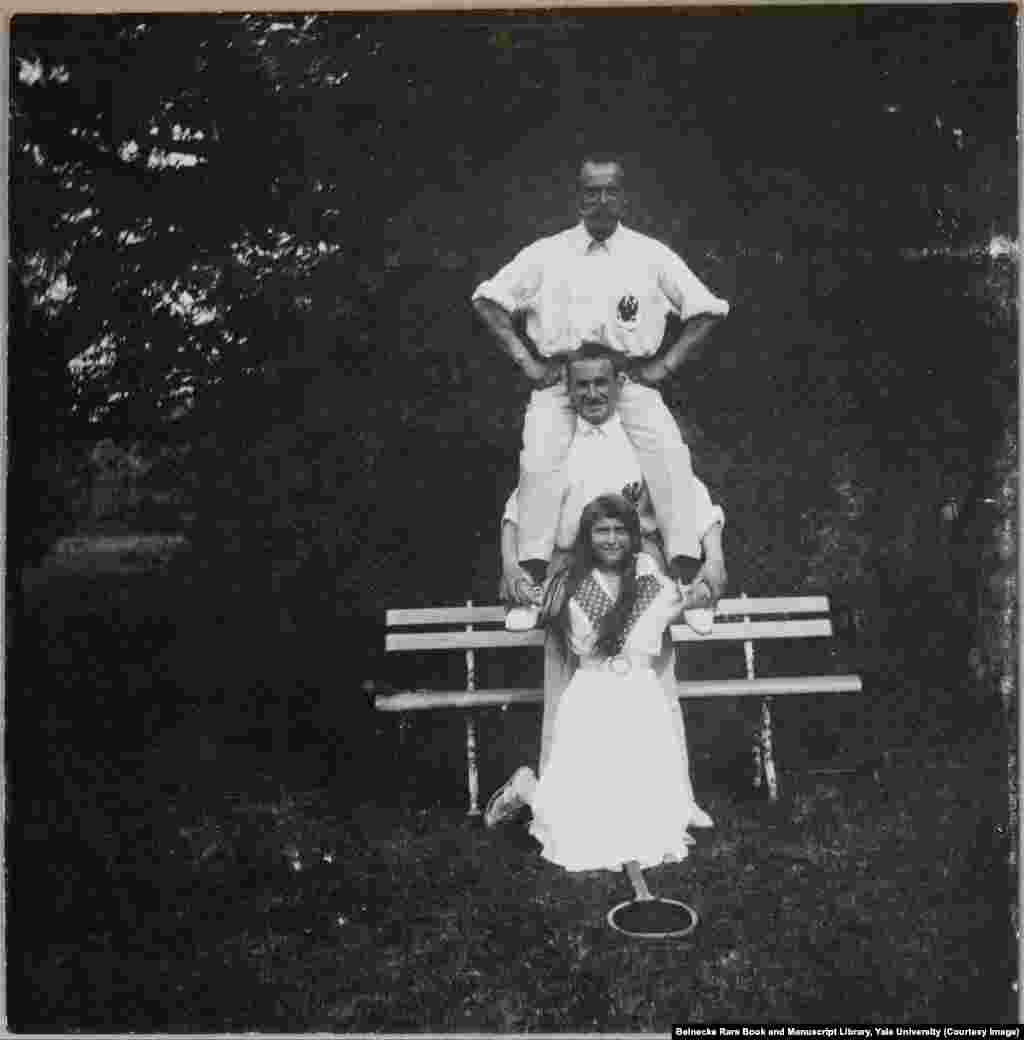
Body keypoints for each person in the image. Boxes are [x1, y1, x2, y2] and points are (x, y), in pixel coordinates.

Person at [488, 342, 726, 823]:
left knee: (649, 674)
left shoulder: (643, 437)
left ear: (619, 384)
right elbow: (520, 508)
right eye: (583, 385)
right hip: (572, 573)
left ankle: (674, 796)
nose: (593, 393)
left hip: (636, 571)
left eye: (602, 382)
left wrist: (715, 561)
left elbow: (691, 496)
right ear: (569, 390)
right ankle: (554, 796)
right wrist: (511, 567)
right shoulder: (555, 441)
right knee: (574, 680)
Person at [472, 153, 729, 597]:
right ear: (578, 197)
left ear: (625, 198)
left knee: (670, 458)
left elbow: (707, 309)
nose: (602, 200)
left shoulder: (650, 255)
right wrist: (528, 363)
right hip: (561, 381)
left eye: (611, 191)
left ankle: (686, 570)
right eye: (592, 191)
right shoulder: (547, 254)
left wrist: (664, 366)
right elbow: (488, 300)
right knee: (537, 464)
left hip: (627, 381)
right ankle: (531, 577)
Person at [489, 493, 710, 874]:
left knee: (645, 815)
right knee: (573, 827)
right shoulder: (567, 586)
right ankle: (526, 787)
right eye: (601, 531)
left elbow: (701, 599)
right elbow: (519, 608)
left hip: (641, 695)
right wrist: (519, 585)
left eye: (621, 530)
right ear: (587, 538)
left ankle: (636, 827)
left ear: (633, 536)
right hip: (590, 695)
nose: (611, 539)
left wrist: (708, 585)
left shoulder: (655, 584)